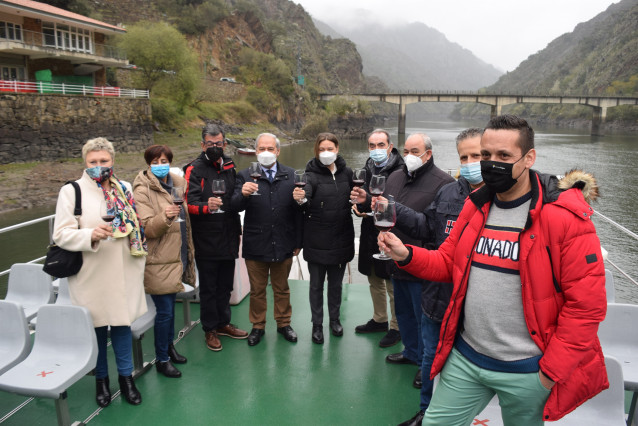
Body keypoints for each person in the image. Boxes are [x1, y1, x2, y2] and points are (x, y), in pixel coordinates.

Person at [379, 115, 608, 425]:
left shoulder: (565, 219)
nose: (490, 163)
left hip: (528, 370)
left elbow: (586, 308)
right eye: (486, 155)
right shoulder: (476, 206)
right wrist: (405, 254)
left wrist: (548, 373)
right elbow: (449, 262)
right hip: (466, 358)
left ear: (529, 158)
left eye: (504, 156)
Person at [385, 128, 484, 426]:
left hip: (476, 306)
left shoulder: (504, 199)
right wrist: (393, 209)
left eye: (476, 156)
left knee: (468, 365)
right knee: (430, 358)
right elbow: (427, 227)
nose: (469, 163)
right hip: (438, 296)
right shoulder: (449, 192)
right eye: (464, 157)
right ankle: (426, 413)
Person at [52, 137, 147, 408]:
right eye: (93, 162)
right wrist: (90, 234)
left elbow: (134, 224)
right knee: (96, 328)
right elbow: (61, 234)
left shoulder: (125, 187)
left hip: (123, 270)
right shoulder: (72, 191)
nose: (98, 166)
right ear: (85, 163)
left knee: (121, 325)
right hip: (91, 272)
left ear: (112, 161)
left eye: (103, 161)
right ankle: (101, 381)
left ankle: (127, 379)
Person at [231, 133, 303, 346]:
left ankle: (283, 323)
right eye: (262, 148)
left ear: (278, 151)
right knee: (257, 289)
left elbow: (300, 210)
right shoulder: (244, 176)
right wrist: (242, 194)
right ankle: (258, 326)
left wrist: (298, 241)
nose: (266, 152)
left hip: (284, 241)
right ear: (255, 151)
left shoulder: (291, 175)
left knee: (282, 288)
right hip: (256, 242)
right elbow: (233, 207)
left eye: (270, 149)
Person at [133, 145, 196, 378]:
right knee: (166, 312)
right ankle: (161, 359)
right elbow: (147, 228)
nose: (161, 165)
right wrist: (166, 216)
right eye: (155, 161)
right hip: (158, 260)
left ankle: (169, 347)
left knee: (169, 309)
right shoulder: (142, 191)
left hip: (177, 255)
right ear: (148, 164)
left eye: (164, 160)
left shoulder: (177, 184)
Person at [184, 123, 248, 352]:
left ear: (225, 144)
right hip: (206, 237)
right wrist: (206, 206)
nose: (214, 147)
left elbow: (234, 198)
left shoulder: (230, 166)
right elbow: (188, 204)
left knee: (225, 286)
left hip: (229, 233)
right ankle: (209, 329)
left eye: (218, 143)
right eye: (210, 144)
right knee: (209, 287)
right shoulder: (194, 169)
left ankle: (223, 323)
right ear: (202, 145)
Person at [293, 132, 354, 344]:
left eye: (330, 148)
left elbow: (357, 199)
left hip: (341, 238)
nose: (326, 153)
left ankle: (334, 320)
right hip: (317, 240)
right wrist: (300, 199)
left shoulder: (348, 173)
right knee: (316, 286)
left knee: (336, 286)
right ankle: (317, 325)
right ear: (316, 151)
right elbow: (305, 198)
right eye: (322, 149)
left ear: (337, 149)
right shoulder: (310, 175)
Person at [353, 129, 404, 348]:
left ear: (390, 147)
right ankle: (380, 319)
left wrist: (377, 208)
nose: (376, 150)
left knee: (393, 283)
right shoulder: (367, 168)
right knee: (374, 278)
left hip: (393, 232)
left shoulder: (401, 170)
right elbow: (363, 198)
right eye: (372, 146)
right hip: (370, 232)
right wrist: (359, 207)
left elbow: (401, 202)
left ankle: (396, 327)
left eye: (380, 145)